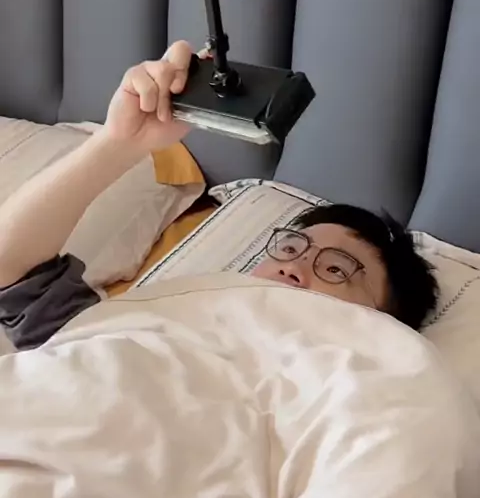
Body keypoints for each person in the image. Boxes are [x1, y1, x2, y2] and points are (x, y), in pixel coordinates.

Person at [0, 41, 438, 352]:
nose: (293, 267)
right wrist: (117, 143)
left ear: (379, 327)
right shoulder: (135, 333)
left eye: (336, 269)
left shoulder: (354, 405)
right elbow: (11, 272)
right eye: (290, 248)